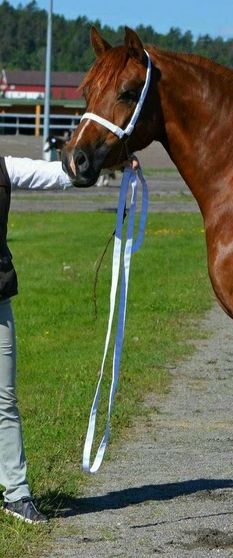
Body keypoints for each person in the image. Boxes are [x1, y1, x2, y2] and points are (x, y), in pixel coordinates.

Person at [0, 154, 72, 524]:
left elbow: (61, 175)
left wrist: (109, 163)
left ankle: (16, 494)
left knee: (5, 401)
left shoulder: (4, 168)